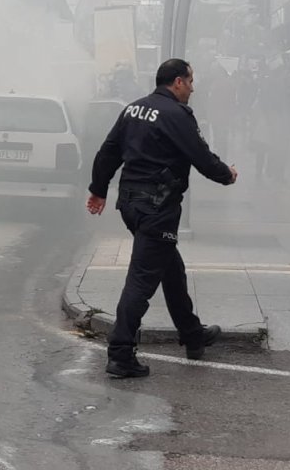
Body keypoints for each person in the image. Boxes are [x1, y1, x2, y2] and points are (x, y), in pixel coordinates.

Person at [87, 59, 238, 378]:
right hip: (158, 207)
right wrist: (227, 175)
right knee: (142, 279)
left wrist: (98, 190)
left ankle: (193, 335)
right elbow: (201, 156)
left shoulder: (133, 109)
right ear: (178, 82)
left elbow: (108, 151)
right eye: (191, 81)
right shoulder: (176, 114)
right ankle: (121, 352)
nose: (194, 88)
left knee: (171, 269)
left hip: (130, 203)